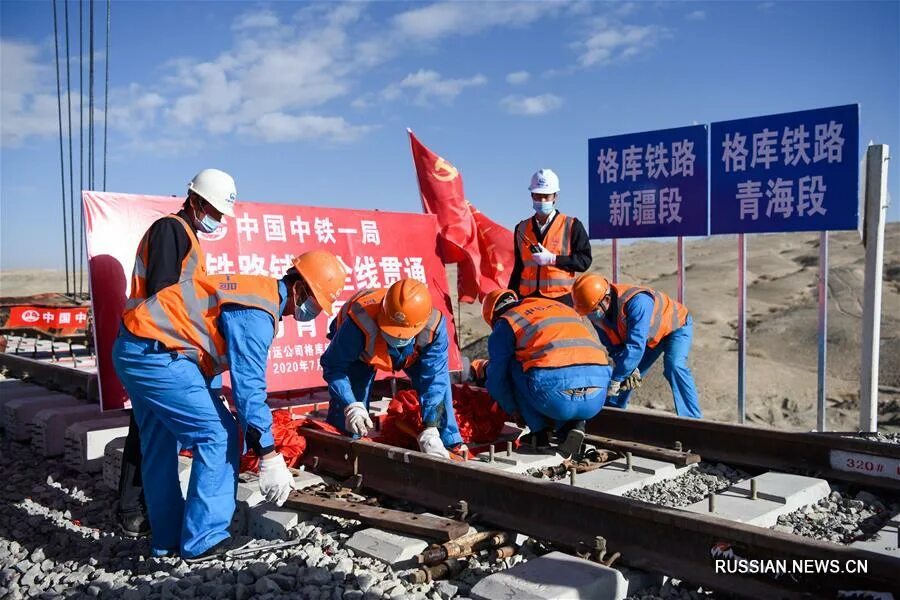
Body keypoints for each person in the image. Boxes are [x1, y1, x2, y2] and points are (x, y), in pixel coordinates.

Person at [113, 250, 347, 560]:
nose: (313, 311)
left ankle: (167, 540)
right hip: (160, 357)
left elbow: (201, 340)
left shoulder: (255, 293)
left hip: (134, 349)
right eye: (315, 302)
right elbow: (249, 388)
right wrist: (268, 455)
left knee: (159, 445)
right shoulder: (257, 312)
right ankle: (204, 540)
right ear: (300, 288)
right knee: (219, 435)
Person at [117, 168, 237, 538]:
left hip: (158, 345)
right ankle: (136, 510)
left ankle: (147, 515)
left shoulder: (188, 236)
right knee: (158, 433)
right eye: (214, 211)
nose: (217, 220)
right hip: (154, 344)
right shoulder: (171, 229)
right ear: (196, 200)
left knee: (150, 431)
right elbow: (165, 297)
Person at [321, 279, 464, 458]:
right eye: (392, 331)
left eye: (402, 334)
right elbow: (334, 366)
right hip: (361, 355)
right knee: (350, 419)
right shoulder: (359, 322)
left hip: (412, 353)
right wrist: (351, 404)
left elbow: (435, 379)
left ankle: (446, 442)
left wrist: (431, 426)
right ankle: (343, 449)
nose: (396, 337)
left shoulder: (433, 328)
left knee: (440, 390)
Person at [480, 288, 611, 458]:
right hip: (597, 394)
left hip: (555, 398)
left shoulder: (506, 322)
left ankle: (539, 434)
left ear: (493, 317)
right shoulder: (560, 307)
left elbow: (496, 381)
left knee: (513, 365)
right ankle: (574, 426)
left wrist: (513, 410)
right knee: (565, 375)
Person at [572, 273, 702, 418]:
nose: (591, 316)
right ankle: (612, 414)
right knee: (627, 372)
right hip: (648, 338)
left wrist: (617, 377)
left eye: (592, 310)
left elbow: (635, 345)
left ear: (606, 299)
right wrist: (627, 371)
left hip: (676, 326)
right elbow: (614, 347)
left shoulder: (637, 302)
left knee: (674, 366)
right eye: (587, 312)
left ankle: (692, 418)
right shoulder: (598, 312)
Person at [507, 169, 592, 307]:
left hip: (560, 300)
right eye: (538, 196)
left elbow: (584, 261)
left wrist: (553, 259)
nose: (542, 200)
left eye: (546, 196)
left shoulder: (572, 225)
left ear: (555, 196)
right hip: (528, 300)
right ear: (532, 195)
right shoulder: (521, 228)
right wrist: (511, 297)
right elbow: (518, 268)